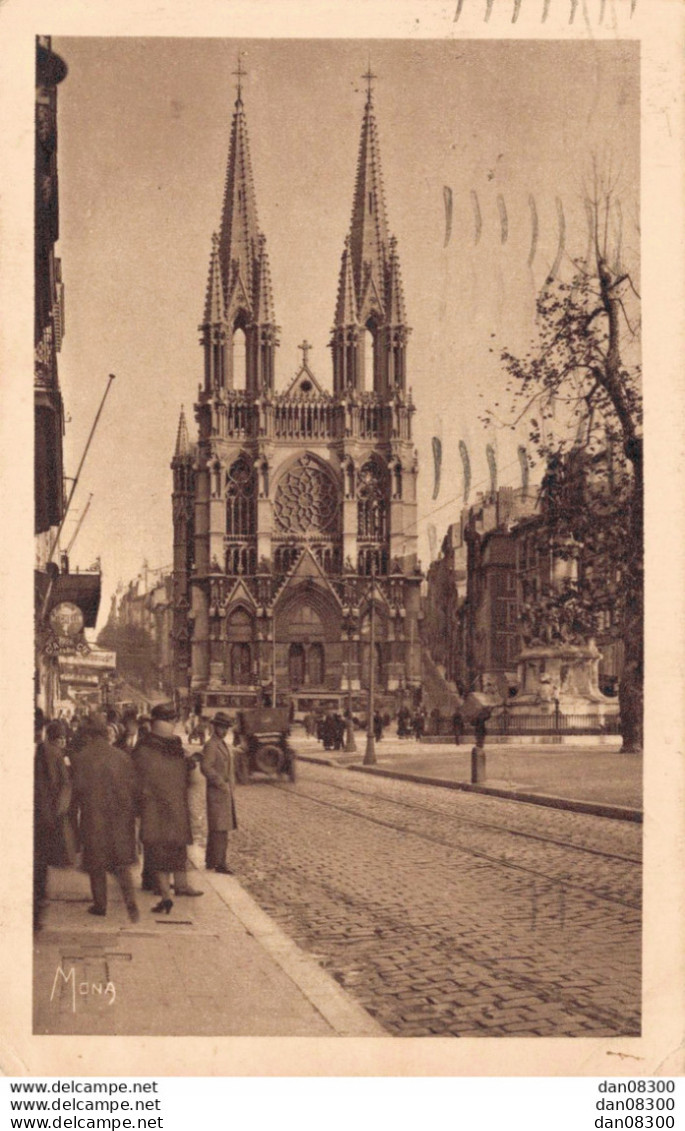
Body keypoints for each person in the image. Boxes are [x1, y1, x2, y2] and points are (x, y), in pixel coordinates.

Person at [134, 702, 202, 913]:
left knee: (156, 853)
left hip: (153, 809)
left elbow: (135, 780)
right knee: (175, 850)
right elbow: (193, 779)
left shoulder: (143, 747)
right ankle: (174, 890)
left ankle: (165, 896)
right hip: (176, 809)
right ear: (171, 722)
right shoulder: (177, 747)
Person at [72, 713, 139, 922]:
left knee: (96, 864)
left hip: (94, 818)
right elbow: (132, 789)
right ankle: (130, 902)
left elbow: (77, 790)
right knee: (121, 864)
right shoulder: (122, 757)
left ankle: (100, 905)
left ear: (88, 736)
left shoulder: (81, 758)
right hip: (120, 818)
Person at [34, 718, 73, 930]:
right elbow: (65, 786)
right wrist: (59, 813)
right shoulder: (56, 754)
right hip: (47, 817)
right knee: (40, 864)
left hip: (39, 815)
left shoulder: (44, 751)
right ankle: (37, 909)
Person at [200, 712, 237, 875]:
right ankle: (219, 863)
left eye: (226, 728)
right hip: (217, 792)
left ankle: (211, 860)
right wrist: (220, 782)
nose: (225, 730)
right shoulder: (211, 745)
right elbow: (206, 767)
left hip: (223, 793)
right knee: (220, 828)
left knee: (219, 828)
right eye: (222, 727)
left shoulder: (221, 743)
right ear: (215, 727)